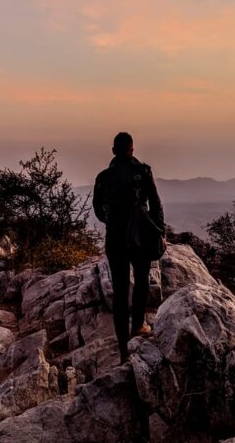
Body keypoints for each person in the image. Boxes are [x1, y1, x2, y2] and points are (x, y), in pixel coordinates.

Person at [92, 132, 166, 363]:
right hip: (139, 237)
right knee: (142, 279)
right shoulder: (142, 172)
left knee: (120, 289)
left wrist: (113, 222)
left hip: (114, 238)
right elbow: (155, 203)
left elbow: (97, 209)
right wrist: (158, 231)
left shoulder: (104, 177)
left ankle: (123, 349)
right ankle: (138, 327)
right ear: (132, 150)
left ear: (114, 151)